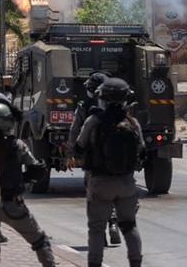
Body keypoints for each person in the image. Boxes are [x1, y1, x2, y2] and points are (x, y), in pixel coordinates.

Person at [0, 93, 56, 267]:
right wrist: (21, 178)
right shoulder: (17, 146)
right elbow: (37, 171)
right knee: (39, 241)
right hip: (14, 205)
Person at [73, 78, 145, 267]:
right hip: (127, 183)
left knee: (96, 229)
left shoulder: (94, 120)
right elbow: (142, 150)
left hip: (100, 183)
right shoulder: (132, 122)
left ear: (102, 98)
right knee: (129, 226)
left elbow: (79, 145)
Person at [65, 71, 122, 245]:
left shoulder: (84, 106)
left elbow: (75, 131)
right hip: (115, 159)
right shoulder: (119, 107)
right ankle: (113, 223)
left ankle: (101, 233)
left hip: (93, 159)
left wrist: (71, 154)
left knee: (95, 196)